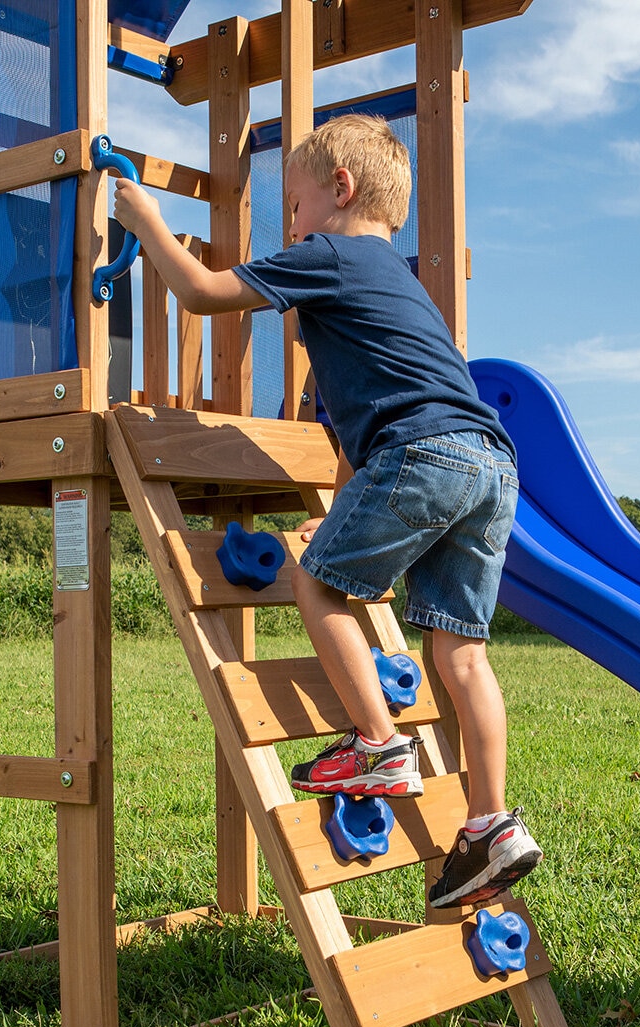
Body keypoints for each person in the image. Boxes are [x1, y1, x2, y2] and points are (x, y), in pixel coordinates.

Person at [112, 114, 542, 908]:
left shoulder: (330, 256)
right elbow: (358, 431)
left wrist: (143, 220)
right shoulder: (397, 286)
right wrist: (339, 514)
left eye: (297, 206)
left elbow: (206, 293)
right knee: (462, 655)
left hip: (424, 453)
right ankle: (491, 823)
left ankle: (379, 746)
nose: (295, 226)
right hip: (489, 463)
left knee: (319, 588)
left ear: (339, 192)